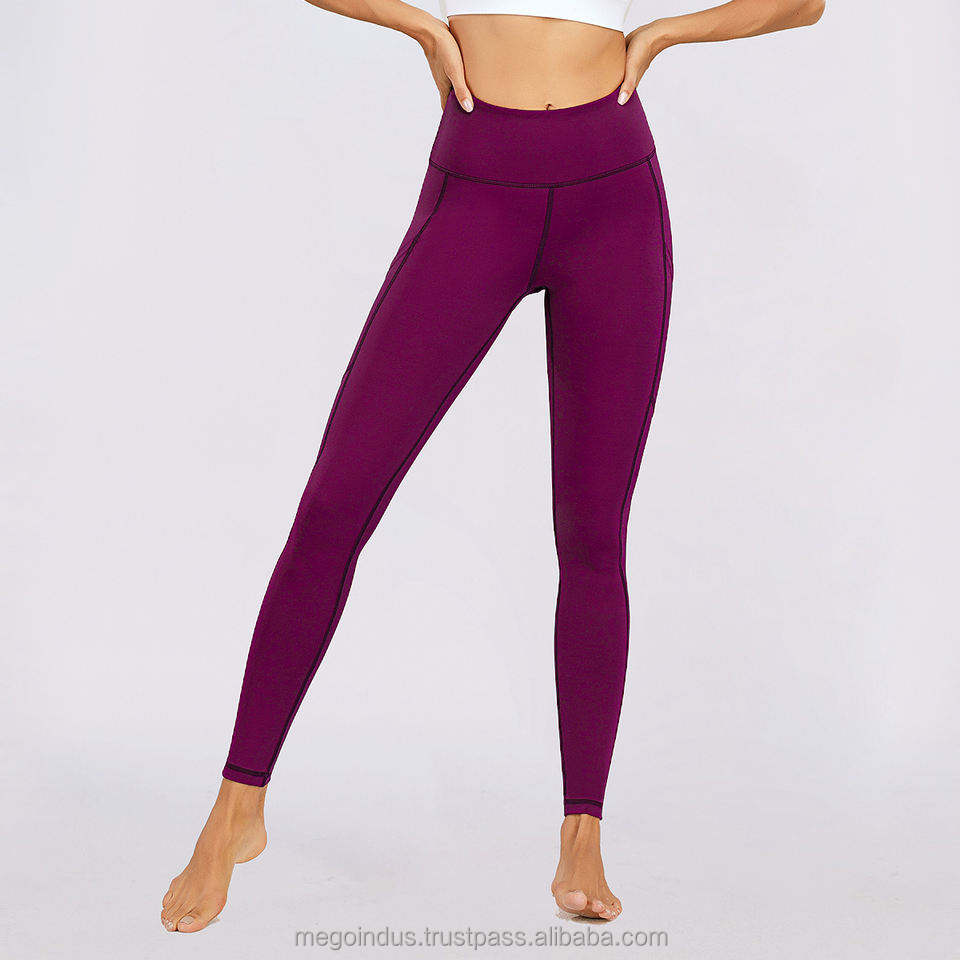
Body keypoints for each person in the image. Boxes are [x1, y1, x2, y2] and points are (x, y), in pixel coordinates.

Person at [160, 0, 824, 933]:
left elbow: (803, 3)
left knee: (592, 533)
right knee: (336, 504)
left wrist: (663, 34)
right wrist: (419, 26)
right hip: (479, 185)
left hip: (614, 191)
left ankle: (583, 830)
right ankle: (237, 806)